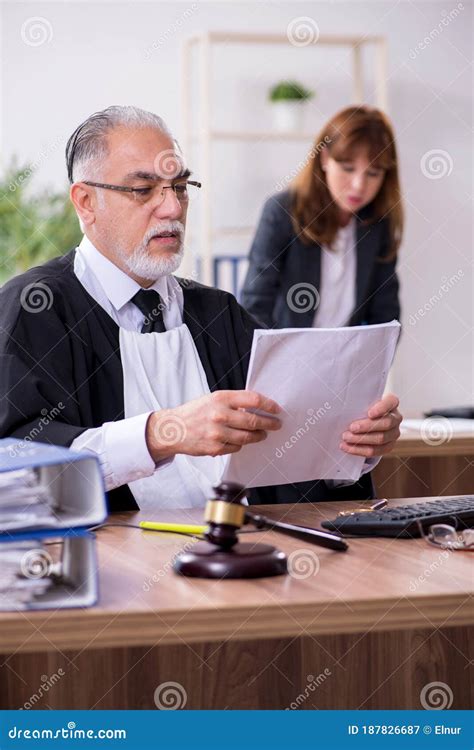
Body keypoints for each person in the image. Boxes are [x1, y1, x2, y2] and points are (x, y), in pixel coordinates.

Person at [0, 106, 402, 512]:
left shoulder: (217, 313)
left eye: (180, 186)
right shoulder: (36, 308)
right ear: (86, 201)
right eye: (144, 190)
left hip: (237, 556)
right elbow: (17, 465)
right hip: (116, 567)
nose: (173, 208)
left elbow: (284, 452)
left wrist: (352, 446)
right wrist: (160, 434)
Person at [241, 105, 402, 330]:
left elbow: (386, 314)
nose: (359, 186)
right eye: (347, 168)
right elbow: (254, 307)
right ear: (325, 158)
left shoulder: (378, 224)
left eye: (373, 173)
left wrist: (372, 361)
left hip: (349, 359)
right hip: (285, 356)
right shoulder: (282, 211)